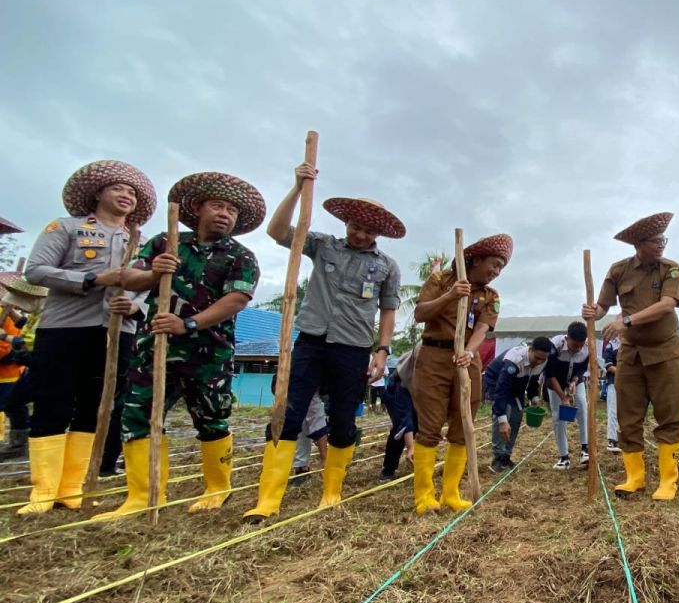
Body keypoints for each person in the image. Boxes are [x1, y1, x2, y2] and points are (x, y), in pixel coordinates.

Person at [95, 172, 263, 519]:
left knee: (212, 418)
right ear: (199, 208)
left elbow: (236, 299)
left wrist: (188, 323)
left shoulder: (240, 256)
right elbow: (128, 277)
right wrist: (156, 273)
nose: (224, 214)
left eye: (231, 210)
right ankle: (142, 494)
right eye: (218, 206)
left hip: (209, 351)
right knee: (137, 414)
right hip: (154, 346)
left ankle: (217, 488)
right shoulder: (165, 244)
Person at [244, 163, 404, 523]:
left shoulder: (387, 267)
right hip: (311, 342)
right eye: (355, 226)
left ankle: (331, 491)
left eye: (368, 229)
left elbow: (389, 311)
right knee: (289, 412)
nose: (360, 234)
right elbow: (277, 230)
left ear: (379, 232)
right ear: (345, 223)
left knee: (345, 417)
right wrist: (298, 187)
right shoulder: (321, 245)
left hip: (352, 349)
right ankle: (268, 498)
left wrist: (382, 350)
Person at [20, 160, 156, 515]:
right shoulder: (66, 228)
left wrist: (136, 306)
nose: (126, 195)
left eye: (131, 192)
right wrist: (94, 280)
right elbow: (36, 271)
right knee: (53, 402)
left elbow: (151, 286)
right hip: (65, 327)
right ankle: (43, 490)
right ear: (98, 194)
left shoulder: (139, 244)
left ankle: (72, 487)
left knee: (98, 406)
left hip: (117, 332)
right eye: (118, 189)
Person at [583, 213, 679, 501]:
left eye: (663, 240)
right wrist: (594, 312)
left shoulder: (671, 270)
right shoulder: (619, 271)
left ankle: (668, 480)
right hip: (631, 353)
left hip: (664, 351)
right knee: (628, 416)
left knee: (670, 415)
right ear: (639, 244)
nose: (661, 245)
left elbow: (667, 306)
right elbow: (603, 306)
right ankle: (634, 477)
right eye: (656, 241)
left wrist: (626, 321)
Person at [410, 234, 510, 513]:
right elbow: (420, 313)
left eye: (501, 267)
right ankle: (424, 497)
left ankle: (451, 494)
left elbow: (482, 328)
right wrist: (451, 295)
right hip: (433, 357)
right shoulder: (442, 280)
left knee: (463, 426)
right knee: (429, 426)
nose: (496, 272)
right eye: (494, 264)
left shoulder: (491, 296)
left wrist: (469, 350)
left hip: (467, 360)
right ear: (476, 259)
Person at [488, 337, 551, 472]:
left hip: (517, 385)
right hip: (496, 383)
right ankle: (498, 458)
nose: (539, 362)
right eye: (537, 358)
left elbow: (533, 381)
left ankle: (506, 456)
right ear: (530, 350)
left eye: (543, 359)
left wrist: (534, 397)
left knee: (517, 417)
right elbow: (501, 391)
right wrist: (502, 420)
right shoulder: (514, 360)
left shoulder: (542, 361)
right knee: (505, 414)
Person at [0, 275, 47, 458]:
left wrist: (4, 337)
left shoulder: (48, 313)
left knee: (30, 405)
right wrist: (11, 313)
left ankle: (31, 445)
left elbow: (30, 340)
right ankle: (19, 445)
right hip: (31, 366)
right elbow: (26, 324)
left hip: (42, 365)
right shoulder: (37, 312)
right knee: (14, 403)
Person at [545, 323, 592, 470]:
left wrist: (574, 381)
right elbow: (550, 374)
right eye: (574, 345)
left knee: (582, 406)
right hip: (555, 382)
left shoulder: (588, 348)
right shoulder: (554, 346)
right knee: (558, 415)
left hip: (574, 381)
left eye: (580, 345)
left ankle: (585, 450)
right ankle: (563, 457)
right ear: (567, 338)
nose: (577, 348)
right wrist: (563, 397)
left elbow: (582, 368)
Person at [380, 348, 420, 480]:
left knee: (418, 426)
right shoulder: (403, 382)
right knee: (400, 429)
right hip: (395, 394)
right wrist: (410, 447)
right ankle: (388, 469)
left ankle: (419, 461)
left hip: (416, 393)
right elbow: (405, 417)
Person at [601, 337, 620, 453]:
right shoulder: (612, 345)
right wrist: (624, 373)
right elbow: (608, 366)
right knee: (613, 411)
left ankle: (623, 438)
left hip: (630, 384)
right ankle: (612, 439)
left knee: (627, 412)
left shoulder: (632, 342)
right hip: (614, 382)